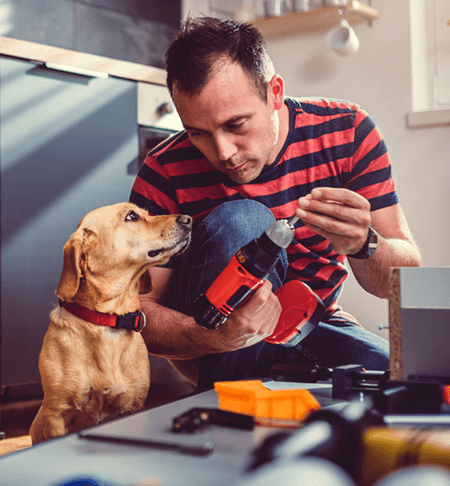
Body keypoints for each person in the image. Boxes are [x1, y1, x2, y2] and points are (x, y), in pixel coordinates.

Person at [130, 16, 421, 391]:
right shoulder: (164, 169)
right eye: (198, 133)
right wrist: (209, 338)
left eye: (236, 125)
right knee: (244, 220)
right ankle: (225, 400)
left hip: (310, 324)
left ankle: (239, 398)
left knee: (403, 385)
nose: (223, 153)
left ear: (275, 93)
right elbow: (138, 311)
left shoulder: (347, 133)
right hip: (210, 331)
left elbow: (402, 283)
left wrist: (363, 243)